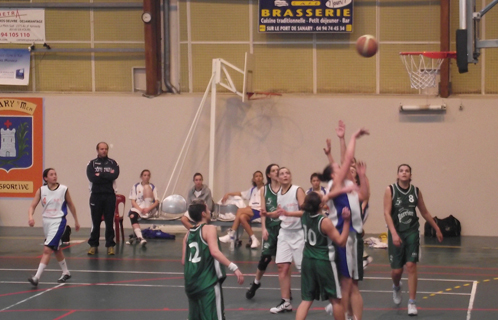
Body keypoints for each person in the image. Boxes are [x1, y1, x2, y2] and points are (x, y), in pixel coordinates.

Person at [322, 124, 370, 320]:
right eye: (337, 168)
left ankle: (348, 314)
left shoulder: (347, 183)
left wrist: (343, 139)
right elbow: (346, 158)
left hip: (350, 235)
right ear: (334, 175)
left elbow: (364, 194)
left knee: (348, 283)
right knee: (347, 284)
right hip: (342, 237)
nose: (341, 166)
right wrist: (352, 137)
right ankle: (342, 311)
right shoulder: (336, 184)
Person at [383, 164, 443, 316]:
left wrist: (436, 228)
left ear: (410, 175)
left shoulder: (415, 191)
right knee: (396, 271)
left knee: (411, 266)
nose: (404, 173)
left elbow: (424, 212)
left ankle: (412, 302)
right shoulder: (390, 190)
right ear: (397, 175)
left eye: (407, 171)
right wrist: (394, 233)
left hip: (411, 232)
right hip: (396, 232)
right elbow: (387, 213)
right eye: (401, 171)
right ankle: (396, 286)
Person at [182, 199, 244, 320]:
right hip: (207, 284)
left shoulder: (188, 234)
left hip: (191, 286)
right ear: (203, 214)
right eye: (207, 209)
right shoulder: (209, 229)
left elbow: (184, 261)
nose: (210, 211)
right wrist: (233, 267)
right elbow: (214, 252)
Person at [296, 192, 351, 320]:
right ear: (321, 204)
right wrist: (347, 221)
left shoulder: (304, 216)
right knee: (335, 300)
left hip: (308, 260)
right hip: (324, 261)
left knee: (306, 300)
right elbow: (341, 242)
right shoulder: (324, 221)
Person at [27, 168, 80, 286]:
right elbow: (32, 206)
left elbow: (71, 205)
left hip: (58, 221)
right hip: (46, 222)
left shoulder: (63, 189)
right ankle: (66, 272)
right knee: (56, 248)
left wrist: (76, 220)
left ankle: (36, 277)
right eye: (51, 174)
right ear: (45, 178)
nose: (54, 176)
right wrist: (31, 217)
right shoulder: (41, 190)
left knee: (47, 249)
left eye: (55, 174)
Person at [268, 167, 306, 313]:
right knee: (282, 267)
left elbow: (304, 211)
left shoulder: (297, 190)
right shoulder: (279, 194)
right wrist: (269, 214)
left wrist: (288, 212)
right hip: (284, 233)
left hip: (298, 234)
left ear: (290, 176)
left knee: (304, 269)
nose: (285, 175)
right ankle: (286, 301)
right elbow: (280, 213)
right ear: (277, 178)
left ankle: (314, 297)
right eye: (282, 174)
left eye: (287, 173)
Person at [246, 163, 281, 299]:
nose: (277, 172)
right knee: (265, 258)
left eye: (278, 170)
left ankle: (286, 289)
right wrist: (264, 228)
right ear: (269, 174)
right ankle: (256, 283)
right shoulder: (264, 190)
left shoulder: (286, 189)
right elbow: (263, 211)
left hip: (283, 228)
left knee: (284, 262)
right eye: (274, 170)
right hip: (271, 227)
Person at [86, 141, 120, 255]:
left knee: (109, 221)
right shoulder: (91, 164)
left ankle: (110, 245)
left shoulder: (113, 163)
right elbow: (92, 178)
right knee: (95, 222)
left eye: (105, 149)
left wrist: (100, 175)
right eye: (101, 149)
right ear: (97, 150)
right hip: (96, 196)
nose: (104, 150)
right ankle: (93, 245)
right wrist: (106, 176)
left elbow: (114, 175)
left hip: (109, 196)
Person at [218, 171, 265, 249]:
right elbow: (241, 193)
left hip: (260, 211)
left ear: (263, 178)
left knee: (240, 210)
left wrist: (251, 207)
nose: (258, 178)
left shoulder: (265, 189)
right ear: (253, 179)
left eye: (260, 176)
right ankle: (254, 239)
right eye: (256, 176)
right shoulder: (253, 189)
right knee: (242, 217)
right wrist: (228, 193)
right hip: (252, 211)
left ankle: (231, 234)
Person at [127, 169, 159, 246]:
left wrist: (148, 208)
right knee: (132, 216)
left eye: (148, 175)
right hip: (139, 208)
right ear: (141, 176)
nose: (146, 177)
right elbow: (133, 201)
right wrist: (140, 209)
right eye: (145, 175)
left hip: (149, 209)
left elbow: (156, 201)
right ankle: (140, 238)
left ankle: (139, 237)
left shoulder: (152, 187)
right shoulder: (135, 186)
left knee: (147, 187)